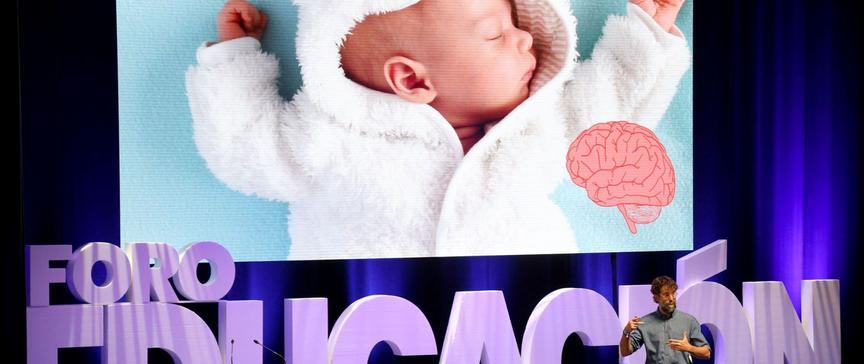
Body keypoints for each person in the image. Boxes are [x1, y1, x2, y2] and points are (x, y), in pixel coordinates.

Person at [186, 0, 690, 259]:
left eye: (515, 23)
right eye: (495, 33)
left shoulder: (538, 125)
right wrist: (235, 61)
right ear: (411, 78)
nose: (524, 41)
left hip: (524, 317)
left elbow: (608, 119)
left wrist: (648, 31)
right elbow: (245, 148)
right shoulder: (333, 138)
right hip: (366, 319)